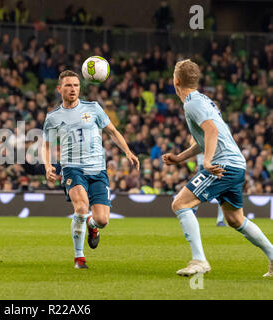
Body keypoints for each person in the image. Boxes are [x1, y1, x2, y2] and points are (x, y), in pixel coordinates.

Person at [162, 59, 273, 277]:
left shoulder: (192, 103)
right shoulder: (203, 100)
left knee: (180, 204)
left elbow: (212, 131)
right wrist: (180, 158)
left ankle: (199, 261)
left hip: (224, 165)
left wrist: (207, 161)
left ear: (175, 81)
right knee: (235, 219)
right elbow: (205, 138)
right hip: (235, 163)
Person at [42, 70, 139, 269]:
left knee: (102, 220)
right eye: (68, 85)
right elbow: (46, 145)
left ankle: (92, 226)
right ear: (60, 89)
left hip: (97, 169)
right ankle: (79, 257)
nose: (73, 89)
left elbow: (112, 131)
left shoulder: (93, 108)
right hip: (72, 168)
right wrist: (48, 165)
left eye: (76, 85)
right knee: (81, 208)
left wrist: (128, 152)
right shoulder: (53, 117)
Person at [192, 137, 226, 227]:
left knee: (222, 191)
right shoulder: (197, 131)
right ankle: (192, 211)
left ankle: (220, 220)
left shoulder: (214, 131)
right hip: (203, 165)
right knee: (200, 191)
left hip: (216, 163)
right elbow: (192, 143)